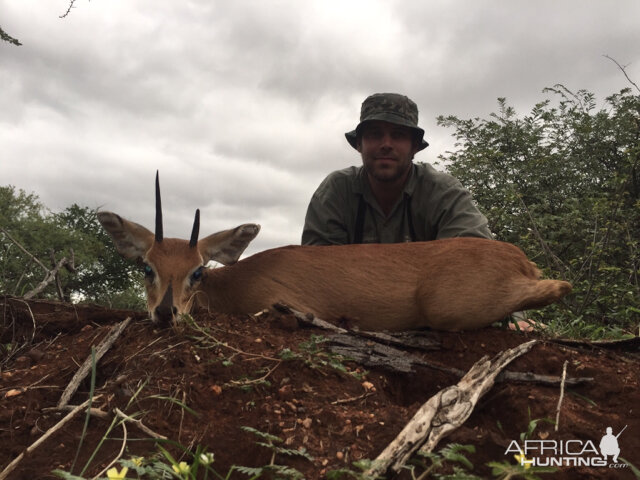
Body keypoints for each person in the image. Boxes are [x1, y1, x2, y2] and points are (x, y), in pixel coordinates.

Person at [302, 92, 492, 245]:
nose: (386, 144)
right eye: (375, 134)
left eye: (398, 135)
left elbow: (476, 256)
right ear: (359, 144)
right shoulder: (336, 190)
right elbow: (318, 270)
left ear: (415, 147)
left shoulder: (443, 191)